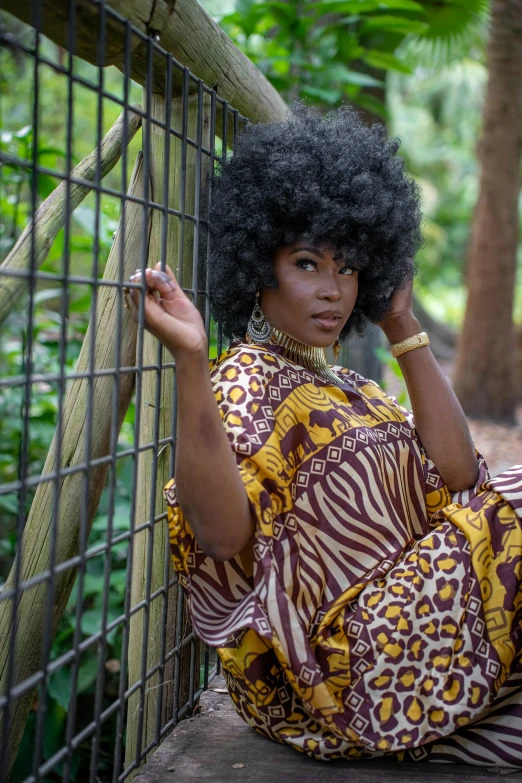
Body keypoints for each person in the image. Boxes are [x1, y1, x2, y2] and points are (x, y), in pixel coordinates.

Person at [125, 106, 522, 766]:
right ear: (259, 266)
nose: (332, 291)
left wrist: (401, 324)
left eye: (348, 267)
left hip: (418, 634)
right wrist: (191, 361)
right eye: (308, 263)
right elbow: (222, 538)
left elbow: (458, 478)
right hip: (341, 668)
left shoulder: (350, 386)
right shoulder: (244, 380)